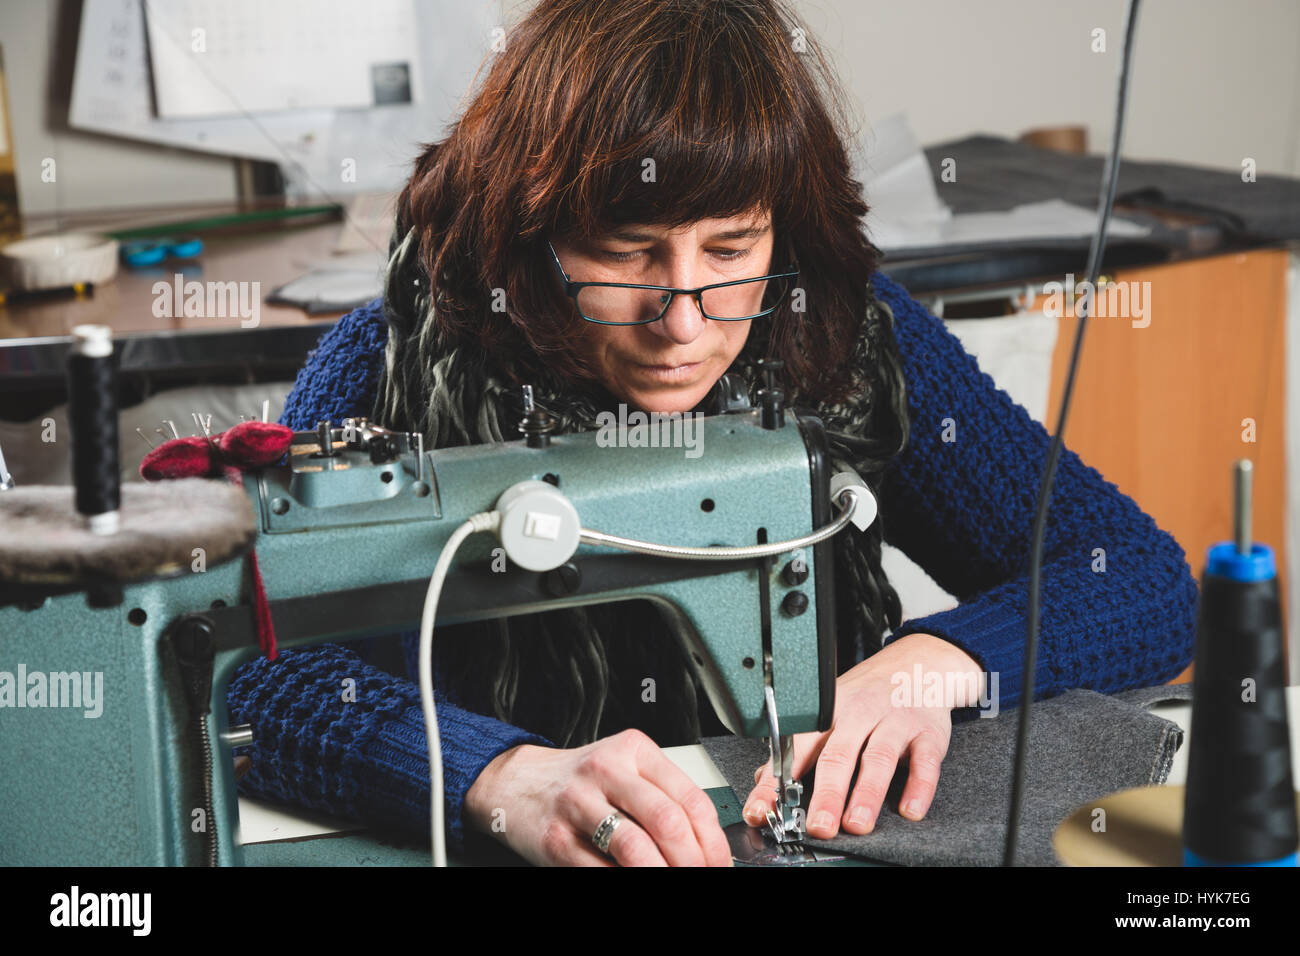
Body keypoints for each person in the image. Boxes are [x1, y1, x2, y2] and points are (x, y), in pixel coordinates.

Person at [227, 0, 1197, 867]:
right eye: (625, 253)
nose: (684, 320)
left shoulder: (842, 334)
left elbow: (1138, 575)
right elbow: (255, 680)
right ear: (531, 228)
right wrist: (500, 774)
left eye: (731, 248)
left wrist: (938, 662)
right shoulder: (386, 366)